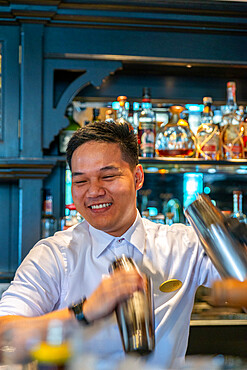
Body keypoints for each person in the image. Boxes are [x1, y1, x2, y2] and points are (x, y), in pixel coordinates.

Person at [0, 122, 220, 369]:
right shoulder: (53, 255)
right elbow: (4, 336)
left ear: (137, 177)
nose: (94, 191)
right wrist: (84, 312)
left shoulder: (183, 246)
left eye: (108, 176)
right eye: (81, 181)